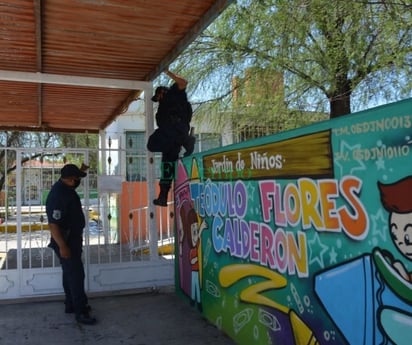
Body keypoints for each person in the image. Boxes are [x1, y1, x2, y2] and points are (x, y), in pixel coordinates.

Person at [46, 163, 96, 325]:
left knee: (69, 273)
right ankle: (81, 312)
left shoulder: (66, 187)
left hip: (71, 239)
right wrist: (63, 246)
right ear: (69, 179)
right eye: (76, 178)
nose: (78, 181)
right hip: (66, 240)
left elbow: (76, 179)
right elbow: (53, 224)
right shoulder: (58, 195)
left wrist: (81, 170)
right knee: (76, 275)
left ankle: (70, 305)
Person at [147, 68, 195, 207]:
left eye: (158, 97)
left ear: (162, 92)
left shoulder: (174, 93)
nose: (158, 100)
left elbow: (183, 82)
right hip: (171, 138)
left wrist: (167, 72)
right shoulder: (163, 107)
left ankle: (187, 140)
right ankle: (163, 197)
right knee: (167, 166)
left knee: (152, 143)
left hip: (175, 131)